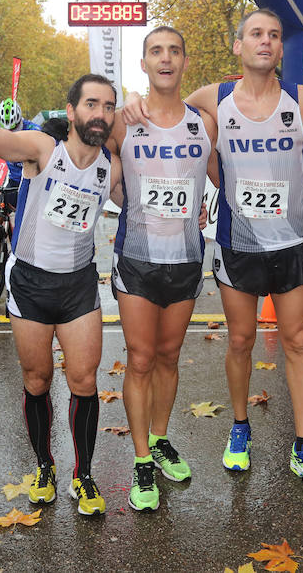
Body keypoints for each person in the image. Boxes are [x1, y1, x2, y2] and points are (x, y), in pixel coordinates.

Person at [123, 8, 303, 496]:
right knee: (241, 341)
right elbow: (167, 118)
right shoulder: (213, 99)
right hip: (237, 244)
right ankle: (240, 426)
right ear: (238, 46)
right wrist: (131, 101)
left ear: (280, 47)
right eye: (255, 34)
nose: (264, 42)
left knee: (296, 343)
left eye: (273, 35)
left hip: (292, 243)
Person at [0, 64, 122, 516]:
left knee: (84, 380)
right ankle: (44, 466)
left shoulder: (112, 167)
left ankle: (83, 477)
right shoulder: (44, 150)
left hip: (79, 285)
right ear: (72, 110)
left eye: (108, 106)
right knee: (38, 379)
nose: (100, 113)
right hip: (29, 282)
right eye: (91, 104)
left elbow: (155, 190)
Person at [104, 26, 218, 512]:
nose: (166, 58)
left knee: (170, 357)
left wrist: (207, 207)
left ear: (185, 62)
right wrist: (115, 189)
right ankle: (140, 459)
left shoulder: (205, 124)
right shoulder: (126, 121)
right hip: (136, 259)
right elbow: (103, 162)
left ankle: (162, 437)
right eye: (156, 51)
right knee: (141, 357)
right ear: (145, 64)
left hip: (187, 259)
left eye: (174, 50)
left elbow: (219, 177)